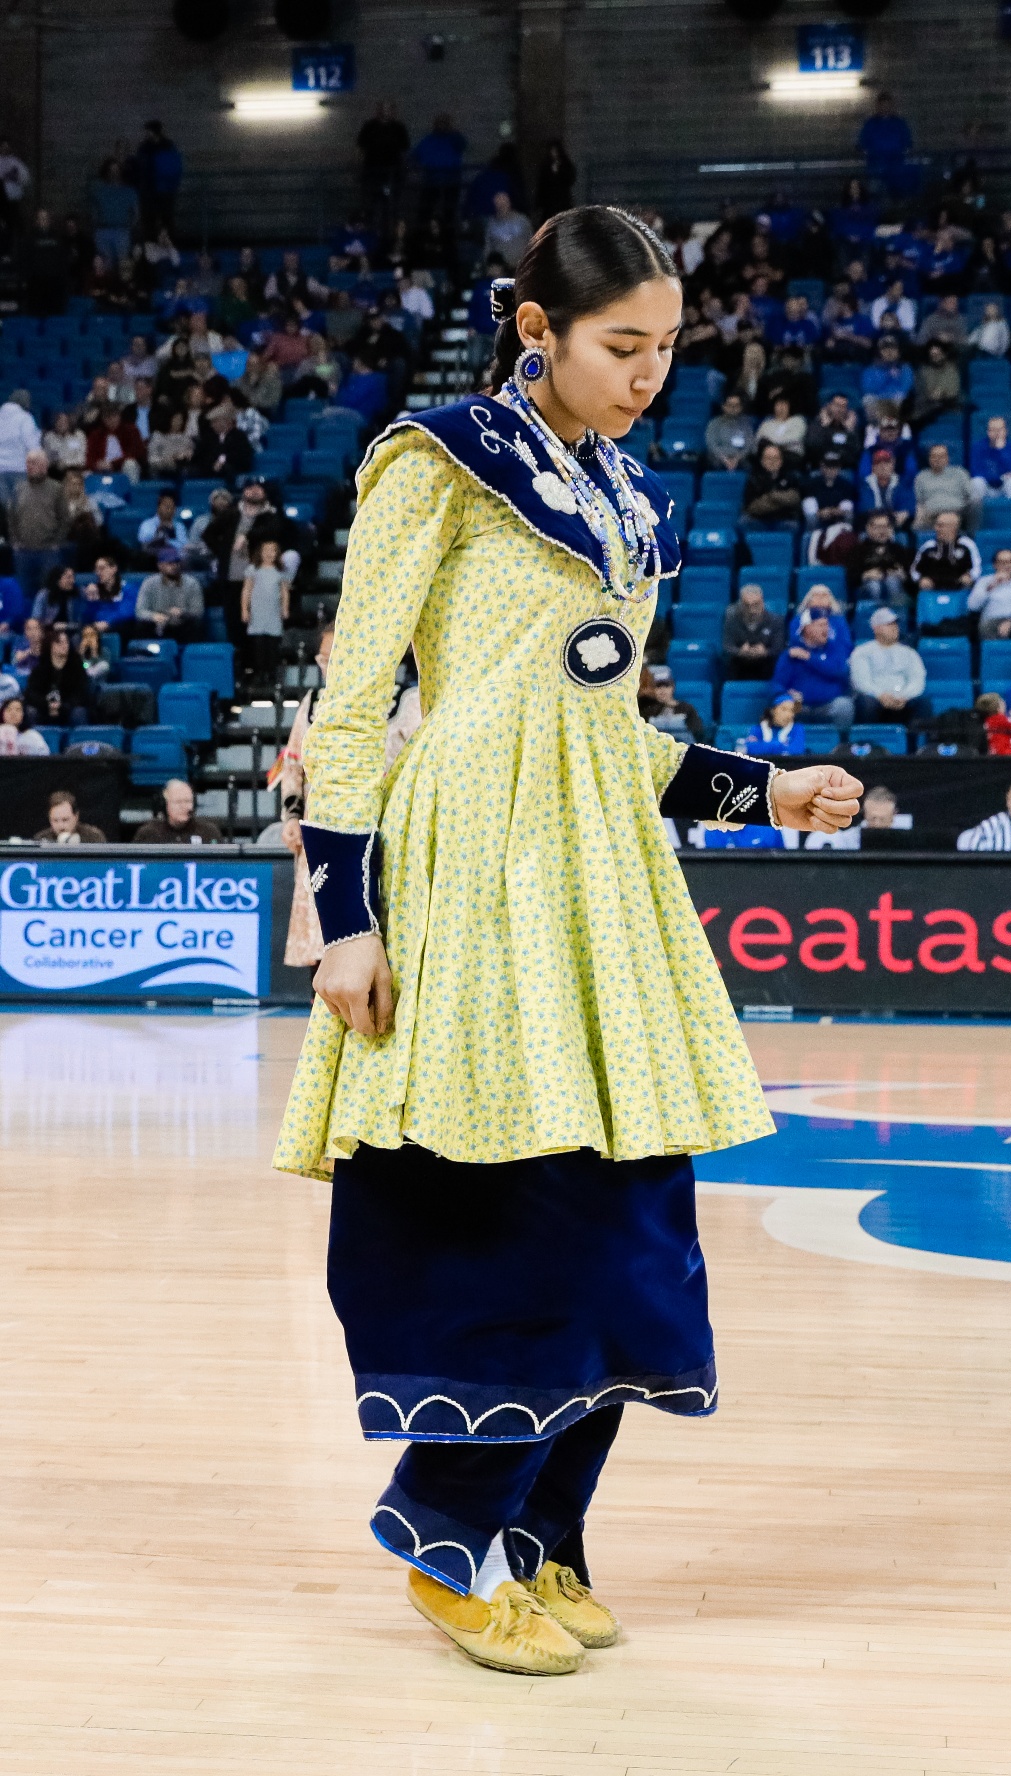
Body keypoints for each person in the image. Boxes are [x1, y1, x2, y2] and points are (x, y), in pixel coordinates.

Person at [270, 205, 862, 1677]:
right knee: (514, 1209)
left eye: (666, 346)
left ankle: (543, 1530)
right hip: (470, 871)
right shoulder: (436, 461)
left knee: (630, 1212)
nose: (649, 373)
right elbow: (353, 706)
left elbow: (610, 731)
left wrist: (763, 791)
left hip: (600, 877)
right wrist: (345, 922)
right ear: (536, 329)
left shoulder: (627, 490)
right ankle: (448, 1533)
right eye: (621, 345)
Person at [279, 626, 335, 973]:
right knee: (319, 932)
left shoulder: (398, 702)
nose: (330, 667)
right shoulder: (312, 704)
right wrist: (291, 817)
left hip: (377, 830)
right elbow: (293, 764)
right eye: (324, 660)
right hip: (318, 830)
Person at [772, 611, 854, 729]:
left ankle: (842, 740)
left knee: (844, 706)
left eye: (826, 625)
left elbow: (840, 671)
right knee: (783, 705)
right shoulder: (790, 654)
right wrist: (785, 695)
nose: (826, 629)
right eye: (821, 625)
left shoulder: (835, 649)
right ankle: (787, 739)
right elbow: (777, 683)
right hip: (800, 706)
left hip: (829, 705)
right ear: (807, 628)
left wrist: (809, 658)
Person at [6, 450, 69, 604]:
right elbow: (11, 517)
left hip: (48, 551)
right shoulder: (18, 488)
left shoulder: (56, 489)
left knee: (48, 593)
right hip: (23, 552)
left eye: (33, 462)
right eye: (28, 462)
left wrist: (57, 542)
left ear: (44, 466)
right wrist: (15, 541)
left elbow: (65, 519)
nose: (29, 466)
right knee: (23, 593)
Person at [849, 607, 927, 723]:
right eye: (889, 625)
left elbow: (917, 679)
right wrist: (880, 695)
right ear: (876, 628)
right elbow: (861, 681)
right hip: (875, 698)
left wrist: (905, 695)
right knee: (866, 703)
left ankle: (918, 735)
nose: (894, 628)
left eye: (895, 624)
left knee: (923, 703)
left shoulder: (909, 653)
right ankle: (869, 735)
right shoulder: (862, 652)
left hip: (903, 698)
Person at [241, 537, 290, 683]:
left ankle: (272, 673)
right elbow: (246, 590)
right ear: (260, 553)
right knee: (259, 644)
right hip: (257, 613)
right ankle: (260, 672)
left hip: (273, 613)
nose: (269, 554)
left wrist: (285, 608)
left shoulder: (280, 571)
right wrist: (244, 610)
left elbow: (284, 592)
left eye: (272, 551)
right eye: (266, 551)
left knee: (272, 644)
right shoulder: (253, 570)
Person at [356, 102, 410, 230]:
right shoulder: (369, 126)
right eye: (382, 109)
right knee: (370, 203)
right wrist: (358, 168)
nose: (385, 112)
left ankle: (388, 231)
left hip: (391, 173)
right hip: (372, 172)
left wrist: (404, 170)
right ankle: (370, 230)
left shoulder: (398, 127)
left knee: (389, 204)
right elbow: (360, 148)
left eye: (388, 109)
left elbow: (404, 149)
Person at [24, 627, 92, 727]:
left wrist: (63, 706)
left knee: (79, 712)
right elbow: (31, 693)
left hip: (68, 708)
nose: (64, 645)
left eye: (66, 642)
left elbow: (81, 693)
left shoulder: (77, 667)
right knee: (30, 711)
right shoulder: (40, 668)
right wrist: (48, 705)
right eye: (59, 642)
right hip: (44, 708)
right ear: (50, 645)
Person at [135, 547, 204, 643]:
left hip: (183, 625)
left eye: (176, 562)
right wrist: (154, 616)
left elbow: (198, 612)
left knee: (193, 625)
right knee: (142, 625)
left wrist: (182, 613)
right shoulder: (149, 583)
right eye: (170, 563)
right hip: (157, 624)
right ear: (160, 566)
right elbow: (140, 611)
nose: (174, 566)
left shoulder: (192, 583)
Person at [846, 511, 913, 608]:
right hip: (867, 587)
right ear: (868, 528)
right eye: (878, 527)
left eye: (886, 527)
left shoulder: (899, 550)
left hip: (895, 586)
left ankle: (895, 615)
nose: (882, 531)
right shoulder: (858, 550)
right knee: (874, 585)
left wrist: (902, 575)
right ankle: (877, 614)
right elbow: (850, 578)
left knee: (892, 582)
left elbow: (911, 577)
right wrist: (865, 575)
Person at [721, 580, 785, 679]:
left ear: (762, 602)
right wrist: (740, 652)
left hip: (767, 668)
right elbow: (727, 646)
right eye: (747, 605)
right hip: (739, 668)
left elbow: (779, 648)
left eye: (756, 605)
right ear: (740, 604)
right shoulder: (732, 620)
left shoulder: (776, 621)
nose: (752, 610)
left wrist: (765, 652)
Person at [968, 547, 1011, 639]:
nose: (1007, 565)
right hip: (991, 619)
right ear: (995, 565)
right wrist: (991, 586)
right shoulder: (983, 581)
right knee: (984, 626)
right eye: (1003, 562)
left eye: (1010, 561)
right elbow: (972, 606)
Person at [133, 778, 223, 845]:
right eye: (178, 802)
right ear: (165, 804)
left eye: (188, 801)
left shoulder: (209, 832)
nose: (184, 807)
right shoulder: (148, 833)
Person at [858, 92, 912, 197]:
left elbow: (907, 143)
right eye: (882, 105)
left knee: (896, 195)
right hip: (876, 167)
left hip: (896, 167)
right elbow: (862, 144)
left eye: (887, 105)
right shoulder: (870, 124)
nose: (885, 108)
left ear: (891, 106)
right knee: (875, 195)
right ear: (878, 106)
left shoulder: (900, 123)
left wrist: (900, 154)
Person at [912, 442, 975, 531]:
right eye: (934, 456)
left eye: (941, 456)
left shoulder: (960, 473)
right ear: (929, 459)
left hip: (958, 513)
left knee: (976, 502)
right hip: (933, 515)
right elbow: (919, 501)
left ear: (947, 458)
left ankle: (972, 535)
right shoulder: (921, 477)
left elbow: (970, 495)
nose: (937, 459)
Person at [637, 662, 706, 741]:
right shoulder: (648, 711)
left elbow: (698, 733)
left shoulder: (687, 709)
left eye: (666, 685)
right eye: (658, 686)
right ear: (653, 690)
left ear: (673, 687)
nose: (662, 690)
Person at [89, 157, 138, 267]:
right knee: (106, 267)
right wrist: (96, 231)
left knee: (123, 265)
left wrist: (128, 229)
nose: (114, 173)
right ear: (106, 172)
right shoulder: (98, 191)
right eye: (111, 170)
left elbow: (136, 213)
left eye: (116, 170)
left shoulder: (129, 191)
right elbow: (94, 214)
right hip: (102, 232)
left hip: (122, 231)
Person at [912, 512, 981, 591]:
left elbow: (976, 567)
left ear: (953, 527)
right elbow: (914, 569)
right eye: (936, 525)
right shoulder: (928, 546)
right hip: (931, 589)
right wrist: (920, 579)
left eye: (940, 525)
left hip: (960, 588)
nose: (936, 528)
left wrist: (970, 576)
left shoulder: (967, 544)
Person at [740, 441, 800, 529]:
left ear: (781, 461)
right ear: (762, 461)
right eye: (769, 458)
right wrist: (781, 501)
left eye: (776, 458)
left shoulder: (790, 476)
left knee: (794, 524)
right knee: (743, 522)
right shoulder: (754, 478)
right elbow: (752, 507)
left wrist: (771, 496)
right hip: (759, 519)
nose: (772, 462)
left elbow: (795, 498)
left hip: (784, 518)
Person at [970, 415, 1011, 510]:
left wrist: (1001, 450)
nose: (997, 433)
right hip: (986, 486)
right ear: (988, 432)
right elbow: (976, 472)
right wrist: (999, 477)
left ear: (1006, 431)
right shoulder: (978, 447)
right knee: (976, 482)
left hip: (1005, 486)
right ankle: (975, 516)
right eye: (993, 430)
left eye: (1000, 430)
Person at [0, 390, 42, 506]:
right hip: (19, 469)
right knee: (20, 507)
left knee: (3, 509)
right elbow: (32, 445)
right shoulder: (25, 418)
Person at [859, 335, 914, 421]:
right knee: (868, 399)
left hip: (897, 400)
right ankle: (877, 427)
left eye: (893, 348)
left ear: (898, 352)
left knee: (904, 400)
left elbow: (906, 388)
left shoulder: (905, 368)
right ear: (879, 352)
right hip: (878, 400)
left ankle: (898, 425)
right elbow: (868, 389)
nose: (889, 352)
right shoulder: (870, 370)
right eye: (885, 349)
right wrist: (887, 376)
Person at [857, 449, 913, 528]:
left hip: (896, 524)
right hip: (872, 525)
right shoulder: (865, 485)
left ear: (892, 465)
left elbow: (907, 506)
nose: (883, 466)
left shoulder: (901, 484)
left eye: (887, 463)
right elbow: (866, 508)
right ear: (873, 467)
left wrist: (903, 513)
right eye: (878, 463)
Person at [800, 452, 855, 530]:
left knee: (848, 511)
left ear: (839, 468)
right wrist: (820, 513)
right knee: (810, 508)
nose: (830, 470)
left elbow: (847, 504)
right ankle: (812, 534)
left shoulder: (845, 484)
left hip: (838, 519)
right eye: (828, 466)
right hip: (817, 519)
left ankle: (846, 534)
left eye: (834, 466)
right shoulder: (812, 484)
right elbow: (808, 504)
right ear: (822, 467)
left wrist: (836, 511)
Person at [34, 787, 107, 845]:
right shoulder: (41, 840)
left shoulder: (93, 838)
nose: (61, 826)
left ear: (76, 817)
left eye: (65, 820)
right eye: (55, 820)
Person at [742, 692, 805, 757]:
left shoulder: (797, 729)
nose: (789, 715)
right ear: (772, 711)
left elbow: (797, 751)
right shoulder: (757, 729)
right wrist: (781, 746)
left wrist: (764, 746)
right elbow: (750, 749)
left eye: (791, 710)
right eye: (784, 709)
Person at [704, 391, 755, 470]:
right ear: (723, 406)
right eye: (730, 405)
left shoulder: (746, 424)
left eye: (736, 405)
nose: (733, 408)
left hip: (740, 459)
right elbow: (711, 444)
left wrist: (737, 458)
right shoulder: (714, 423)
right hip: (718, 458)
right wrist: (724, 459)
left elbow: (749, 444)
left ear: (741, 407)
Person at [485, 190, 534, 271]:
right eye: (498, 199)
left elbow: (532, 241)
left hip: (522, 268)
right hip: (502, 271)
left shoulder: (522, 220)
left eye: (504, 199)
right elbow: (488, 248)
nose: (501, 203)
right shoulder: (491, 224)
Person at [137, 491, 189, 562]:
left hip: (174, 560)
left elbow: (183, 546)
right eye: (166, 506)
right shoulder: (147, 524)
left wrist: (169, 540)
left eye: (172, 507)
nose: (168, 509)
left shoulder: (179, 526)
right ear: (158, 507)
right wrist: (160, 531)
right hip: (153, 560)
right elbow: (144, 542)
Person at [536, 139, 577, 222]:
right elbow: (542, 184)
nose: (554, 153)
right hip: (549, 200)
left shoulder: (566, 164)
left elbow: (570, 179)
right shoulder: (546, 166)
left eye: (555, 151)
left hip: (562, 199)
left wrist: (559, 172)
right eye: (552, 151)